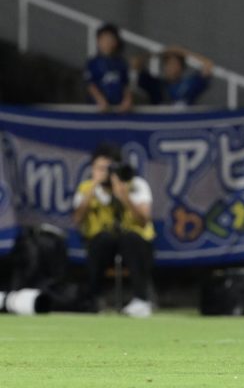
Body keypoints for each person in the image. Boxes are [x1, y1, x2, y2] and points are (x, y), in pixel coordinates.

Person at [72, 143, 155, 317]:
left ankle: (141, 300)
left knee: (130, 239)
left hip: (135, 243)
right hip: (103, 244)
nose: (105, 173)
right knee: (102, 240)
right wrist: (94, 187)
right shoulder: (86, 188)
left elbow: (143, 220)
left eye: (108, 169)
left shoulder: (135, 185)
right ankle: (93, 299)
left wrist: (124, 196)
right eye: (100, 168)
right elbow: (77, 219)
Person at [135, 45, 213, 106]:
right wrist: (160, 53)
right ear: (164, 67)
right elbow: (135, 64)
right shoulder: (155, 84)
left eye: (175, 64)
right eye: (168, 64)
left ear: (182, 67)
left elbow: (208, 65)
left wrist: (182, 52)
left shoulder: (189, 84)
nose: (172, 67)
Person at [85, 23, 133, 113]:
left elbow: (126, 84)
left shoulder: (121, 63)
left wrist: (127, 100)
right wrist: (100, 100)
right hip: (99, 109)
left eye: (111, 39)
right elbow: (91, 85)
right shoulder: (93, 63)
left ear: (116, 42)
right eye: (104, 39)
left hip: (119, 109)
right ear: (98, 41)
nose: (107, 42)